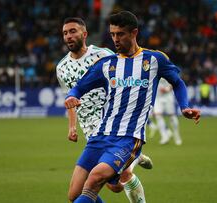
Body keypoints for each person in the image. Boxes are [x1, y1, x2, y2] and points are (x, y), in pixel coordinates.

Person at [64, 11, 201, 203]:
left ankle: (135, 158)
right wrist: (71, 96)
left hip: (129, 138)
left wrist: (184, 107)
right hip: (100, 135)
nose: (115, 39)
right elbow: (78, 87)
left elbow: (177, 83)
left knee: (95, 177)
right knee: (74, 194)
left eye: (120, 34)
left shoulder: (154, 59)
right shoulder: (106, 64)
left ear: (134, 33)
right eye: (112, 34)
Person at [57, 17, 152, 203]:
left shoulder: (103, 55)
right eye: (65, 33)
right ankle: (134, 159)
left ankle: (132, 158)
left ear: (84, 34)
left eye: (73, 31)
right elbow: (70, 98)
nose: (68, 36)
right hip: (90, 131)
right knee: (75, 194)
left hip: (112, 128)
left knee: (116, 183)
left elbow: (127, 75)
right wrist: (72, 126)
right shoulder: (61, 68)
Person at [153, 78, 182, 145]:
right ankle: (164, 136)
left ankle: (177, 136)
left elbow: (175, 80)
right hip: (157, 97)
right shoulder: (151, 69)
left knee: (172, 116)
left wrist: (167, 89)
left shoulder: (168, 68)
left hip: (168, 96)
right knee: (158, 116)